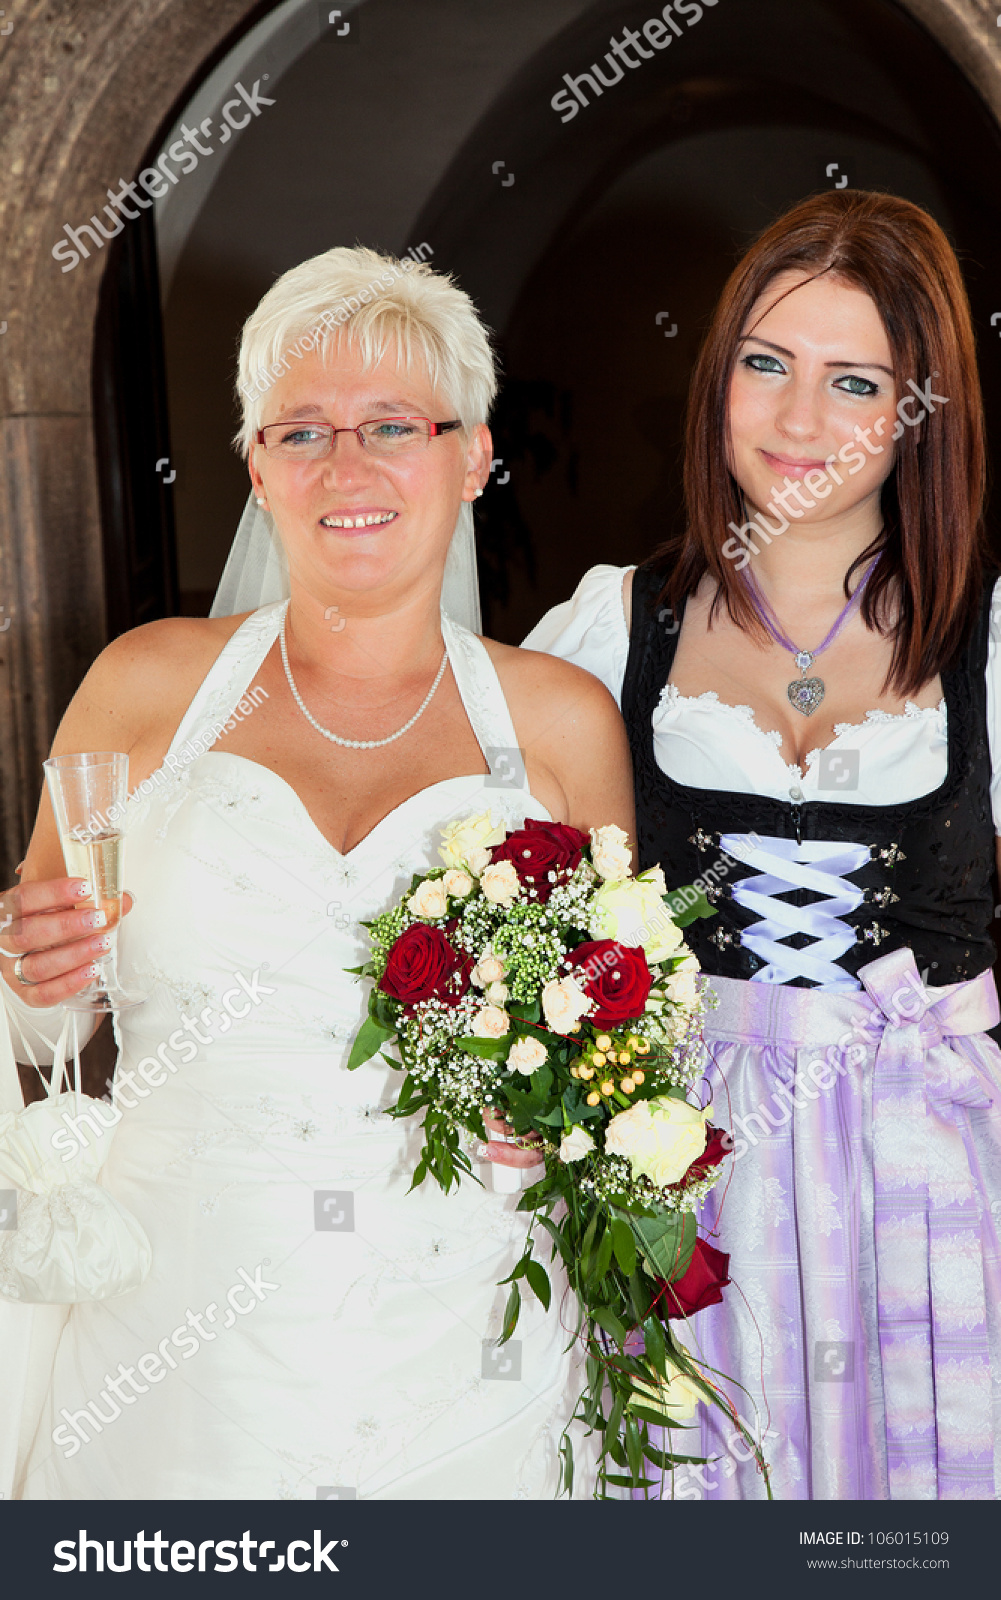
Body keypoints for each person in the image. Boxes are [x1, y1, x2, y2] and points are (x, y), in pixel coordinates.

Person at [0, 245, 633, 1500]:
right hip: (176, 1337)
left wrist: (556, 1118)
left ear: (471, 455)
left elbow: (620, 1045)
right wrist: (33, 969)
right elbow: (44, 1017)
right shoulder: (144, 684)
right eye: (301, 431)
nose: (346, 467)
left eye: (392, 424)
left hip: (467, 1340)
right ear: (255, 466)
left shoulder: (560, 724)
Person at [525, 190, 1001, 1500]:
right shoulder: (610, 632)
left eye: (856, 381)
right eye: (765, 364)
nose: (800, 422)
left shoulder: (988, 646)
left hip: (936, 1184)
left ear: (920, 412)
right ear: (715, 377)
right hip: (686, 1180)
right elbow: (524, 934)